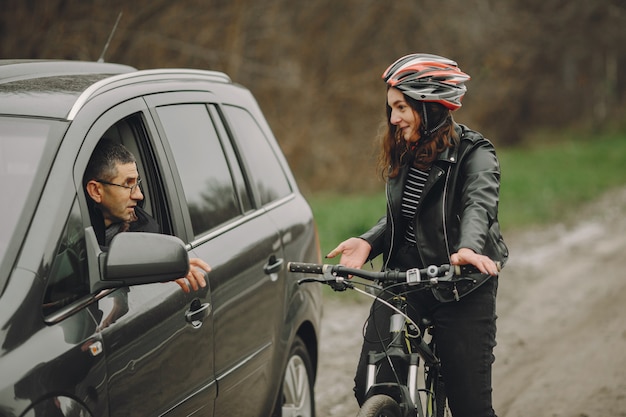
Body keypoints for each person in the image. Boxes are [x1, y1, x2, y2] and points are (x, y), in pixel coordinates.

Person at [326, 53, 509, 417]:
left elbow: (479, 204)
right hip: (405, 280)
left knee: (470, 405)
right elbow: (405, 217)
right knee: (372, 387)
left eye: (401, 108)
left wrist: (468, 248)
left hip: (461, 284)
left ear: (430, 107)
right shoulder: (406, 150)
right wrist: (368, 241)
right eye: (391, 108)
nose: (393, 119)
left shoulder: (475, 153)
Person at [84, 138, 210, 294]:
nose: (139, 195)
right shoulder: (69, 229)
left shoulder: (144, 229)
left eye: (137, 183)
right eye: (128, 184)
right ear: (96, 191)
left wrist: (163, 265)